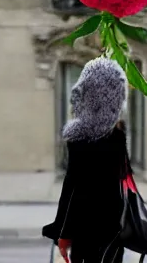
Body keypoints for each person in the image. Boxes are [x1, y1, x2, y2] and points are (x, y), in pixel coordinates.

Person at [43, 57, 129, 263]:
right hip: (114, 225)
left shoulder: (80, 137)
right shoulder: (117, 136)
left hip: (85, 227)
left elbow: (73, 187)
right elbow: (122, 181)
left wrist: (62, 232)